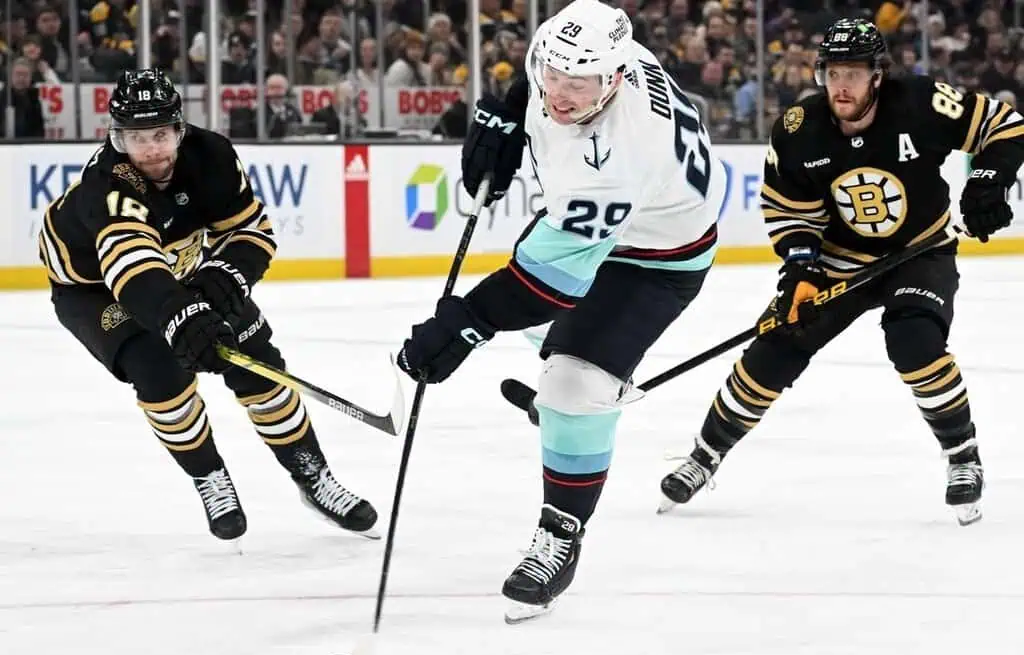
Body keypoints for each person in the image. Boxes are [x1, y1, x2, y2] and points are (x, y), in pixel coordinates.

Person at [397, 0, 726, 622]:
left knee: (574, 387)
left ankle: (561, 531)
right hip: (620, 223)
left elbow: (541, 286)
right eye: (552, 74)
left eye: (580, 84)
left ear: (617, 79)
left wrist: (461, 326)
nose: (561, 93)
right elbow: (545, 67)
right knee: (555, 346)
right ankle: (576, 393)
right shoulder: (588, 49)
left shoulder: (618, 156)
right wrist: (506, 108)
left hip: (657, 261)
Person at [659, 18, 1024, 527]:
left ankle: (962, 455)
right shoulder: (797, 130)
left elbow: (1004, 126)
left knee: (915, 342)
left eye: (853, 73)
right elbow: (788, 210)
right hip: (836, 262)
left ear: (878, 75)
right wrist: (804, 266)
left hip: (919, 252)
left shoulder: (920, 103)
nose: (841, 86)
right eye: (832, 73)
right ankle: (704, 454)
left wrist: (987, 182)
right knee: (775, 346)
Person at [39, 69, 378, 542]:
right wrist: (182, 316)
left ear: (179, 128)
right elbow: (132, 271)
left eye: (161, 134)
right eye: (138, 138)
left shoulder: (211, 155)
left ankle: (311, 473)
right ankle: (208, 474)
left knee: (259, 363)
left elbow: (250, 231)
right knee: (160, 372)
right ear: (118, 138)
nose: (153, 149)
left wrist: (223, 279)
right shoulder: (106, 186)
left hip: (178, 271)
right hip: (95, 291)